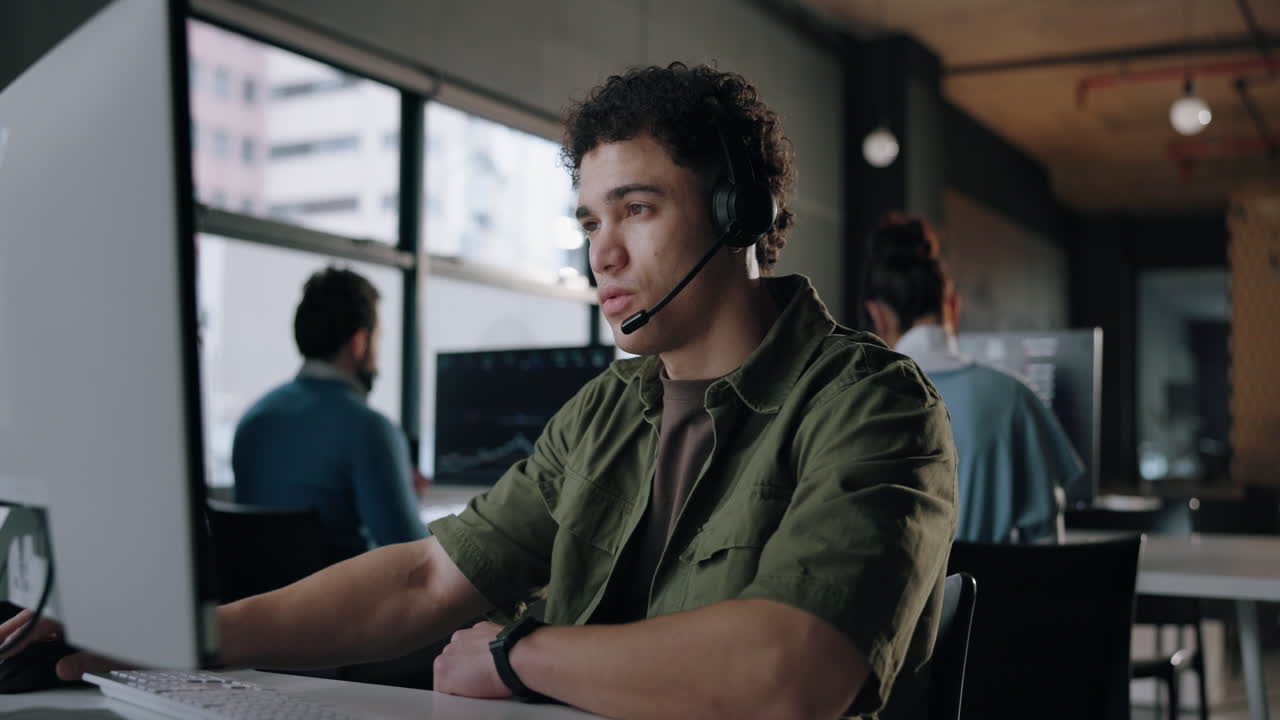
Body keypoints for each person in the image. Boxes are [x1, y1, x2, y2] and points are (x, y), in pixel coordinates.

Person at [2, 63, 956, 720]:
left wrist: (517, 654)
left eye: (636, 208)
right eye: (589, 221)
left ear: (739, 212)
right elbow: (427, 578)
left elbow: (790, 674)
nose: (602, 254)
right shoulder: (605, 413)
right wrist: (174, 636)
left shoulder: (873, 404)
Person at [863, 214, 1082, 544]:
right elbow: (1046, 546)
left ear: (877, 315)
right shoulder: (1015, 399)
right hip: (995, 581)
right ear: (953, 305)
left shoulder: (862, 401)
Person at [231, 267, 427, 554]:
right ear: (359, 343)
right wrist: (405, 495)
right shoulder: (370, 429)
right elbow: (415, 555)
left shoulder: (252, 419)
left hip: (258, 584)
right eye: (377, 340)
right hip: (341, 585)